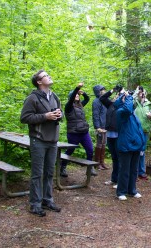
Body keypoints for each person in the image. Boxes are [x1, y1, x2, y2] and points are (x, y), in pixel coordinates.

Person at [20, 70, 62, 217]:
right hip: (38, 139)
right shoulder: (32, 98)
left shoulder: (54, 96)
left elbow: (59, 113)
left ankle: (47, 200)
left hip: (53, 140)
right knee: (37, 174)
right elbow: (25, 118)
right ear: (39, 82)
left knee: (50, 172)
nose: (49, 76)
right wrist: (45, 116)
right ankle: (35, 204)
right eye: (45, 76)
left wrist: (58, 115)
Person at [113, 89, 146, 200]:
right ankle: (121, 192)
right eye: (125, 98)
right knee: (124, 170)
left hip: (135, 146)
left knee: (134, 170)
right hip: (125, 146)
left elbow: (139, 131)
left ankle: (132, 190)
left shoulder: (133, 114)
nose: (128, 100)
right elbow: (127, 108)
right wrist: (128, 96)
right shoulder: (120, 112)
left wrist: (142, 145)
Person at [60, 82, 97, 177]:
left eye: (77, 95)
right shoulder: (68, 107)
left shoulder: (80, 105)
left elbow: (87, 99)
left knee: (90, 149)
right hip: (73, 133)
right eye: (75, 95)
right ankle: (63, 167)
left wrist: (83, 93)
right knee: (70, 151)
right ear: (71, 97)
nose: (77, 96)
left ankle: (90, 168)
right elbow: (72, 98)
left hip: (84, 132)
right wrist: (77, 88)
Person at [100, 85, 122, 188]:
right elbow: (102, 98)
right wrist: (113, 90)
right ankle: (114, 179)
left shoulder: (122, 106)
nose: (116, 96)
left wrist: (124, 94)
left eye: (118, 95)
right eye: (116, 95)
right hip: (110, 134)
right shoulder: (110, 105)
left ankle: (120, 181)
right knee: (114, 158)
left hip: (119, 135)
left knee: (119, 158)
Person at [133, 86, 151, 180]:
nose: (142, 95)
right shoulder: (135, 103)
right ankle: (134, 172)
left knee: (142, 151)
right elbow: (131, 100)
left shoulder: (149, 104)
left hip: (145, 131)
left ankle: (141, 172)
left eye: (143, 93)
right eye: (140, 94)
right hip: (135, 131)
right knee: (135, 151)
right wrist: (136, 92)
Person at [92, 85, 109, 170]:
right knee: (99, 144)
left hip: (105, 125)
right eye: (102, 90)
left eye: (104, 89)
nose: (104, 91)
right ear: (98, 91)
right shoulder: (96, 101)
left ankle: (102, 162)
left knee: (103, 144)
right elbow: (95, 115)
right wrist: (97, 127)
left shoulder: (104, 100)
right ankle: (97, 163)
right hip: (100, 126)